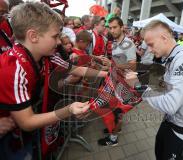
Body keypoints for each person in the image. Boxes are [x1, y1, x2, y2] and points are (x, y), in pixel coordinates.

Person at [0, 2, 107, 159]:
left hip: (22, 128)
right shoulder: (14, 68)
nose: (59, 42)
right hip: (9, 136)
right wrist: (69, 110)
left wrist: (108, 73)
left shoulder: (47, 56)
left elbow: (76, 69)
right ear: (33, 36)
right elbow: (27, 122)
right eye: (55, 36)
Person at [137, 20, 183, 160]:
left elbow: (170, 104)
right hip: (171, 121)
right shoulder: (172, 56)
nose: (149, 49)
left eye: (150, 44)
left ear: (164, 38)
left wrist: (141, 88)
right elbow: (166, 87)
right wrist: (141, 79)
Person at [95, 16, 137, 146]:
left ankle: (113, 139)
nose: (112, 30)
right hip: (115, 80)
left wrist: (112, 65)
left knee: (117, 111)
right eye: (110, 27)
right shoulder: (115, 43)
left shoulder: (128, 44)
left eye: (115, 27)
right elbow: (117, 63)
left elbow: (133, 65)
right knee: (114, 111)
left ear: (122, 27)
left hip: (124, 84)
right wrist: (107, 65)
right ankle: (112, 129)